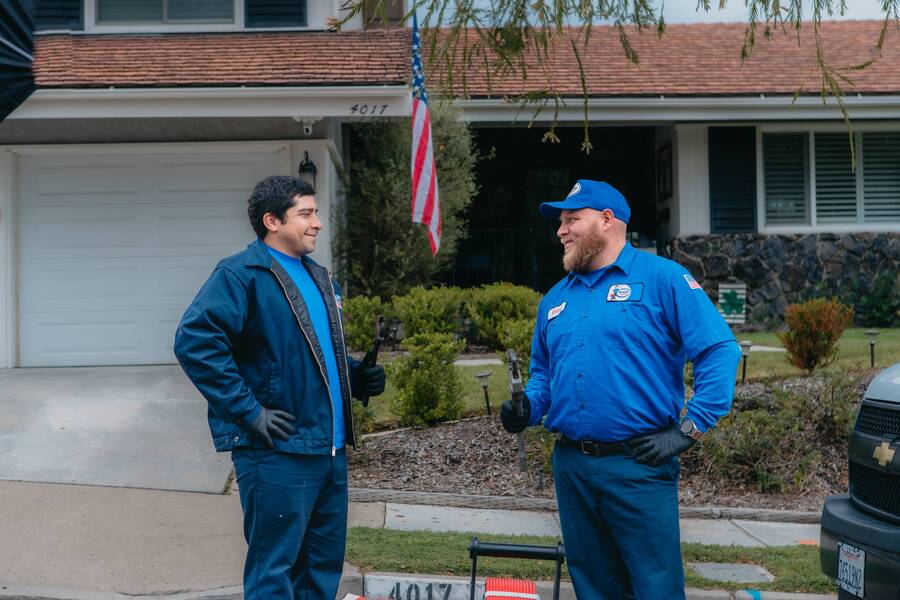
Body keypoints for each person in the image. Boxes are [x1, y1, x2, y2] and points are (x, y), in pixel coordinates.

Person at [500, 179, 741, 600]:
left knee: (655, 587)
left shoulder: (663, 278)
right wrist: (528, 407)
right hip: (572, 467)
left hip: (639, 465)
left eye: (572, 219)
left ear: (608, 221)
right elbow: (544, 376)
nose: (561, 230)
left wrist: (690, 428)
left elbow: (719, 350)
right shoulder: (554, 299)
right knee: (593, 586)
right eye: (560, 221)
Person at [174, 175, 385, 600]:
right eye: (305, 213)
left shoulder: (321, 277)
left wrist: (355, 374)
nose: (317, 223)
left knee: (320, 574)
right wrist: (249, 412)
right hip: (277, 452)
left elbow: (307, 352)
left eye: (315, 212)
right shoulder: (240, 274)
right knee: (274, 575)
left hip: (328, 452)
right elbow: (195, 342)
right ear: (272, 220)